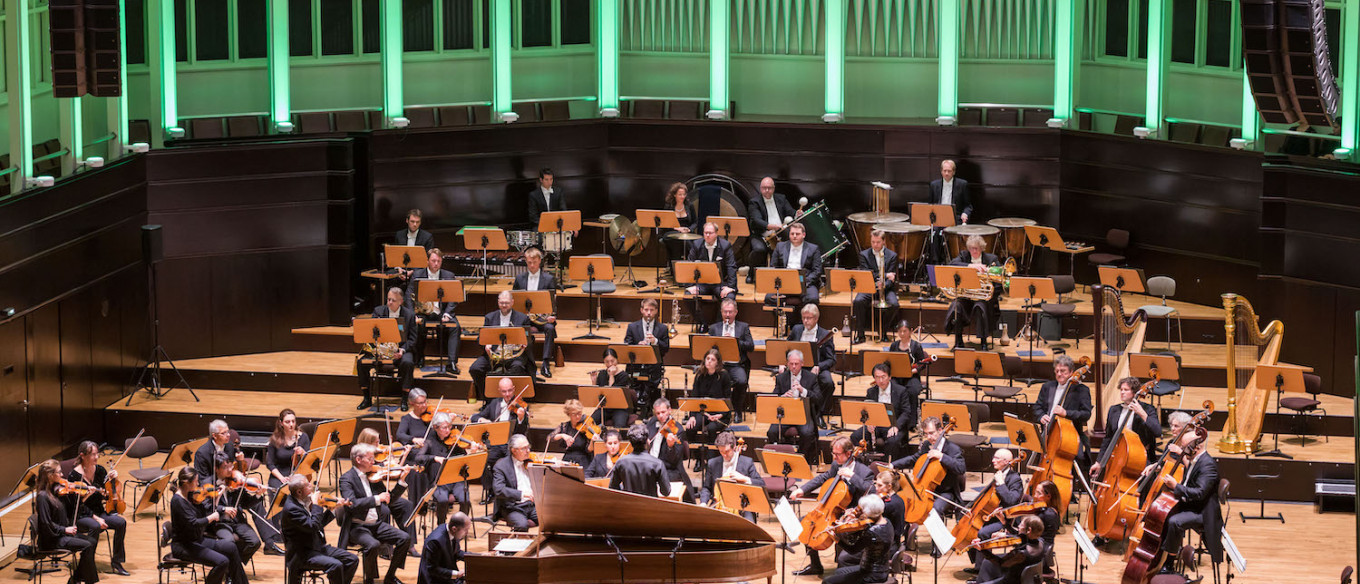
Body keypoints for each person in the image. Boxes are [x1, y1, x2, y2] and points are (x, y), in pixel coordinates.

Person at [789, 437, 874, 576]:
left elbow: (871, 490)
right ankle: (815, 565)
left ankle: (842, 570)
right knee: (807, 524)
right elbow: (823, 478)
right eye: (833, 453)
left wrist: (852, 476)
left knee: (842, 531)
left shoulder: (864, 472)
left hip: (853, 512)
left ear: (848, 454)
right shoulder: (836, 465)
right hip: (832, 509)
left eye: (837, 454)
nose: (834, 457)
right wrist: (802, 490)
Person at [339, 444, 412, 584]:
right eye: (370, 458)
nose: (374, 462)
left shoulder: (373, 476)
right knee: (372, 545)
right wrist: (377, 499)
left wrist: (401, 481)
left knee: (405, 538)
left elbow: (388, 500)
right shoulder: (346, 479)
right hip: (357, 526)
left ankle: (390, 576)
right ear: (359, 459)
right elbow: (352, 503)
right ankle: (370, 580)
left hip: (376, 524)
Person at [168, 467, 250, 584]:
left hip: (197, 540)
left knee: (231, 547)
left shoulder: (190, 496)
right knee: (222, 561)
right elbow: (194, 523)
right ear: (187, 483)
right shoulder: (177, 501)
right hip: (184, 546)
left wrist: (217, 498)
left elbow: (205, 513)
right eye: (196, 481)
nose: (198, 484)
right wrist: (211, 518)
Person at [1158, 429, 1222, 574]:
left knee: (1175, 521)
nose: (1181, 450)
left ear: (1196, 447)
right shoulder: (1194, 460)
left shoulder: (1208, 465)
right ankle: (1161, 554)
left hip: (1202, 511)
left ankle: (1169, 565)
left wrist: (1175, 486)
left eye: (1184, 447)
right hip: (1191, 504)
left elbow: (1199, 493)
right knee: (1162, 511)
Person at [280, 473, 358, 584]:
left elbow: (317, 524)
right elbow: (313, 526)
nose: (311, 486)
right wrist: (317, 505)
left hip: (317, 546)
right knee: (336, 565)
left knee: (352, 560)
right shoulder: (292, 509)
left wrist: (333, 508)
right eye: (307, 485)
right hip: (302, 554)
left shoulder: (303, 500)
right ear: (299, 492)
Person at [67, 441, 130, 575]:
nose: (96, 457)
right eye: (92, 455)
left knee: (121, 522)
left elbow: (105, 495)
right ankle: (88, 564)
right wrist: (96, 518)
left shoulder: (100, 470)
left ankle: (117, 561)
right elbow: (76, 505)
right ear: (82, 456)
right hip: (80, 516)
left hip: (99, 512)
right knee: (94, 526)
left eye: (97, 454)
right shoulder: (74, 476)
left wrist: (112, 482)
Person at [34, 459, 100, 584]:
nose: (62, 475)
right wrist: (65, 529)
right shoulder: (43, 497)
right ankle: (86, 581)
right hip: (52, 540)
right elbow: (45, 524)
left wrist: (85, 496)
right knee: (88, 545)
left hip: (62, 535)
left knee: (91, 541)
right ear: (50, 475)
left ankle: (76, 579)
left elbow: (72, 509)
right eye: (59, 472)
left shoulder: (57, 491)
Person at [890, 416, 966, 519]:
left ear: (940, 430)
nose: (929, 437)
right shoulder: (927, 445)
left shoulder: (953, 449)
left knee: (935, 510)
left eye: (931, 433)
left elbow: (961, 468)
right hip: (925, 489)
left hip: (946, 492)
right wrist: (893, 465)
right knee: (902, 501)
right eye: (926, 434)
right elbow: (914, 459)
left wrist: (942, 456)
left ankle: (937, 535)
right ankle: (908, 532)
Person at [415, 411, 484, 521]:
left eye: (449, 426)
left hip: (456, 479)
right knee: (442, 500)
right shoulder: (429, 441)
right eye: (444, 428)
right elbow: (418, 458)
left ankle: (461, 524)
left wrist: (473, 451)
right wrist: (434, 458)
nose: (448, 430)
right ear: (435, 427)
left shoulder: (455, 440)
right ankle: (441, 525)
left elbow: (465, 460)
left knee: (465, 499)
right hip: (438, 481)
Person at [469, 378, 531, 502]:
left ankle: (511, 492)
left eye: (509, 391)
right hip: (496, 443)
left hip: (512, 444)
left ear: (513, 389)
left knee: (511, 462)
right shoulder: (494, 404)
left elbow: (523, 431)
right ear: (499, 391)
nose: (507, 394)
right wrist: (482, 420)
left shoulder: (521, 406)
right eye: (504, 391)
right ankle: (491, 491)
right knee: (484, 461)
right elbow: (475, 417)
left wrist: (521, 418)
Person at [357, 287, 419, 410]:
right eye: (388, 299)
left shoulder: (409, 315)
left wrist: (402, 350)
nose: (389, 302)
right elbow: (371, 335)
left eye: (393, 300)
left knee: (408, 362)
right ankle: (367, 398)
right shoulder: (378, 311)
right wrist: (379, 350)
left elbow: (413, 339)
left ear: (401, 301)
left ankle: (404, 399)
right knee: (361, 362)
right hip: (380, 350)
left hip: (400, 350)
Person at [1091, 376, 1162, 480]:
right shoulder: (1114, 410)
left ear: (1134, 392)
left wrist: (1142, 414)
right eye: (1121, 390)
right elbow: (1108, 438)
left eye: (1126, 390)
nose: (1122, 392)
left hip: (1140, 457)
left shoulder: (1147, 409)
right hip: (1118, 456)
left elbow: (1157, 432)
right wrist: (1099, 462)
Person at [404, 248, 461, 376]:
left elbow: (454, 298)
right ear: (427, 261)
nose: (436, 263)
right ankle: (419, 357)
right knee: (416, 325)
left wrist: (447, 314)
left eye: (439, 261)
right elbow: (408, 296)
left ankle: (451, 362)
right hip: (423, 313)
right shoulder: (417, 275)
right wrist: (412, 315)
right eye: (433, 260)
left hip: (442, 313)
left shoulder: (449, 276)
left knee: (455, 327)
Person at [468, 291, 536, 398]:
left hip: (514, 355)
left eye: (507, 303)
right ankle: (488, 399)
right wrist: (486, 345)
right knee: (475, 368)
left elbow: (529, 337)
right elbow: (480, 338)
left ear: (512, 302)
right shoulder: (490, 317)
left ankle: (510, 400)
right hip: (494, 355)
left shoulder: (522, 318)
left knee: (517, 368)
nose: (504, 305)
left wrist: (525, 342)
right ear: (498, 302)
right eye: (501, 303)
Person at [205, 454, 265, 568]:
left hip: (237, 521)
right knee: (229, 544)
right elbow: (206, 507)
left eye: (230, 467)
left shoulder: (235, 480)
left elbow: (246, 503)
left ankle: (233, 567)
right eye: (225, 468)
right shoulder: (208, 484)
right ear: (216, 469)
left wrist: (258, 495)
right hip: (219, 523)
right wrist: (223, 509)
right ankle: (232, 571)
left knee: (255, 542)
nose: (229, 470)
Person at [265, 409, 311, 555]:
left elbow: (310, 460)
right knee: (278, 490)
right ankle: (278, 531)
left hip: (297, 474)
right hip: (279, 474)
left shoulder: (303, 438)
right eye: (287, 422)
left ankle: (300, 528)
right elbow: (270, 464)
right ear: (281, 423)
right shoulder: (275, 439)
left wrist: (303, 453)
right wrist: (281, 478)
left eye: (293, 421)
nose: (291, 424)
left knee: (302, 491)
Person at [1032, 355, 1093, 463]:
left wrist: (1066, 413)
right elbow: (1037, 407)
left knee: (1078, 459)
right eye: (1057, 371)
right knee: (1037, 457)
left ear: (1071, 372)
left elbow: (1086, 414)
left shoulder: (1081, 390)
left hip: (1071, 435)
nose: (1059, 374)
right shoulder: (1047, 387)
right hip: (1048, 433)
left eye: (1063, 371)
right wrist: (1041, 416)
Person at [822, 495, 895, 584]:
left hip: (871, 574)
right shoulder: (887, 522)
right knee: (838, 572)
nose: (859, 512)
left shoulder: (872, 532)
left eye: (862, 510)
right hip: (882, 569)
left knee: (827, 582)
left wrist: (836, 538)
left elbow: (852, 549)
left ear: (869, 513)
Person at [945, 235, 1001, 348]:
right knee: (957, 306)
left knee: (980, 307)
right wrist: (971, 266)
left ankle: (983, 342)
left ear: (982, 248)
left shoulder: (991, 259)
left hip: (983, 298)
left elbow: (999, 284)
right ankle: (958, 340)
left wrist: (987, 294)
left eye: (976, 248)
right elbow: (952, 264)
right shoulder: (964, 256)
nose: (974, 251)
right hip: (966, 297)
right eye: (971, 248)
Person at [766, 349, 821, 464]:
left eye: (796, 364)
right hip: (786, 413)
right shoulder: (781, 378)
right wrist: (782, 396)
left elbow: (818, 398)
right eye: (791, 364)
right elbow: (773, 397)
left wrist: (803, 391)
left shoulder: (811, 377)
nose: (794, 367)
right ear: (787, 364)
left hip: (803, 414)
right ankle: (779, 459)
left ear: (802, 363)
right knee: (772, 432)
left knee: (807, 433)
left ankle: (800, 459)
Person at [512, 248, 558, 378]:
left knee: (549, 328)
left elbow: (553, 301)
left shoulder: (549, 279)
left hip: (542, 319)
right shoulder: (520, 279)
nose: (532, 265)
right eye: (529, 262)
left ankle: (545, 363)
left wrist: (553, 316)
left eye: (535, 262)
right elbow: (514, 300)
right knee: (524, 330)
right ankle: (529, 364)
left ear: (540, 262)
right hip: (525, 318)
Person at [785, 303, 836, 419]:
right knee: (782, 377)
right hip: (797, 366)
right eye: (803, 318)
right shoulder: (797, 329)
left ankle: (819, 414)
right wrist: (783, 363)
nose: (805, 321)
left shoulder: (825, 334)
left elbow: (831, 359)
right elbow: (787, 348)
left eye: (809, 318)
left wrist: (819, 366)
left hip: (816, 367)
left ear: (816, 318)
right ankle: (789, 410)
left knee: (828, 383)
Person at [706, 299, 754, 422]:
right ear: (721, 312)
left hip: (736, 364)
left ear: (736, 312)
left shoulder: (743, 327)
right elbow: (708, 348)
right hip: (719, 364)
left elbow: (750, 346)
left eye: (730, 312)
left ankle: (737, 409)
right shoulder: (714, 328)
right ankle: (716, 410)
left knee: (742, 381)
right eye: (725, 312)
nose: (728, 315)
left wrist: (734, 341)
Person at [698, 432, 764, 521]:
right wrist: (703, 503)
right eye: (721, 452)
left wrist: (745, 479)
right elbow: (706, 488)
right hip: (719, 505)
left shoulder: (747, 462)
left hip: (742, 506)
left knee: (749, 524)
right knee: (704, 523)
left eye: (727, 451)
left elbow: (761, 484)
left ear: (734, 447)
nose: (724, 455)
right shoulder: (712, 463)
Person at [850, 364, 911, 459]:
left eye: (883, 377)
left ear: (889, 377)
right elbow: (867, 410)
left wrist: (896, 426)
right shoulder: (871, 391)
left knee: (893, 441)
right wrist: (869, 423)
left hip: (893, 425)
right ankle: (863, 464)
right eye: (877, 377)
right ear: (874, 378)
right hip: (877, 425)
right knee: (855, 436)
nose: (881, 380)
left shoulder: (901, 391)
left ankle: (887, 468)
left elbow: (906, 412)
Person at [684, 222, 738, 328]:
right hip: (702, 283)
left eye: (710, 233)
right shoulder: (697, 245)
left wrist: (730, 287)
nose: (707, 235)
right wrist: (690, 286)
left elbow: (731, 267)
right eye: (705, 233)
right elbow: (689, 266)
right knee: (688, 295)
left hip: (720, 283)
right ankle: (702, 324)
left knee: (730, 297)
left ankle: (718, 325)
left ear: (716, 233)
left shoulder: (725, 246)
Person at [745, 177, 796, 283]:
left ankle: (783, 276)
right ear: (760, 188)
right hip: (761, 235)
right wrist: (772, 226)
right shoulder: (754, 202)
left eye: (769, 188)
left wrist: (796, 214)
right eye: (764, 188)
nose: (767, 190)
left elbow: (790, 211)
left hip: (779, 234)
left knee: (787, 248)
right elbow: (756, 220)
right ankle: (751, 273)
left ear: (773, 188)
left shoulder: (781, 198)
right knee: (759, 249)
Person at [852, 230, 900, 343]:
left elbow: (892, 278)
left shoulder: (892, 256)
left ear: (883, 241)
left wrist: (884, 285)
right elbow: (867, 274)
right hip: (869, 287)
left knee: (894, 304)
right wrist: (884, 276)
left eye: (878, 242)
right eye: (873, 242)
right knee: (858, 301)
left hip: (886, 288)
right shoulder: (864, 255)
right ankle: (860, 334)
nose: (875, 245)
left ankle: (883, 331)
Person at [622, 298, 670, 409]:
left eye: (651, 310)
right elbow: (627, 346)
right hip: (636, 364)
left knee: (654, 371)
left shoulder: (662, 329)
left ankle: (646, 396)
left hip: (653, 365)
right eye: (646, 309)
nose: (649, 313)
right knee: (632, 374)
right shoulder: (632, 327)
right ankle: (637, 395)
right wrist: (638, 346)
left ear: (656, 311)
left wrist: (655, 341)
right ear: (641, 310)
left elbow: (666, 349)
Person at [644, 399, 694, 501]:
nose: (660, 416)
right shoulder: (652, 422)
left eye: (663, 412)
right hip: (650, 465)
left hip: (668, 468)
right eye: (658, 413)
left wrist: (670, 446)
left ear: (669, 410)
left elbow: (674, 460)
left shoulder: (677, 429)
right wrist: (645, 444)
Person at [972, 515, 1046, 584]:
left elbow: (999, 563)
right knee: (987, 563)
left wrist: (982, 549)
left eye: (1021, 524)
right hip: (1026, 578)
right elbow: (1020, 536)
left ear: (1029, 530)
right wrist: (1004, 523)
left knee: (988, 563)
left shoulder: (1021, 554)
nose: (1018, 526)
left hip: (1010, 581)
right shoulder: (1041, 542)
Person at [766, 222, 823, 306]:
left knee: (812, 298)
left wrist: (803, 282)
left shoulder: (813, 248)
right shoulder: (780, 246)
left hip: (804, 282)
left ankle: (804, 319)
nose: (795, 236)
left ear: (803, 235)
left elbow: (817, 271)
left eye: (797, 234)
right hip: (784, 283)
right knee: (769, 298)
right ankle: (781, 317)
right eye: (792, 234)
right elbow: (773, 267)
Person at [885, 320, 929, 428]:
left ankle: (911, 423)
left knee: (912, 391)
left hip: (911, 377)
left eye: (905, 331)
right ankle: (894, 421)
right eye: (900, 331)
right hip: (897, 377)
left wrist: (915, 370)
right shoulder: (894, 345)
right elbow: (889, 362)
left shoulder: (916, 346)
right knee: (892, 390)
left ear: (910, 331)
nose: (902, 334)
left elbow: (921, 363)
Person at [491, 434, 539, 531]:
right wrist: (521, 494)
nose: (528, 451)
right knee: (522, 525)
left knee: (551, 520)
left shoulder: (530, 462)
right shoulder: (501, 466)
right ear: (514, 450)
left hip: (532, 505)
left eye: (528, 447)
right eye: (524, 448)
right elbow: (499, 489)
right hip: (513, 507)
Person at [686, 348, 733, 444]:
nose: (709, 361)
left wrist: (720, 415)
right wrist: (692, 416)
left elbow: (728, 398)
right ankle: (698, 457)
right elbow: (695, 397)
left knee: (711, 429)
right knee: (690, 427)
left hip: (720, 414)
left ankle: (712, 457)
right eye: (708, 358)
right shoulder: (700, 375)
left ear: (717, 363)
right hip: (704, 412)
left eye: (713, 359)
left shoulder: (724, 376)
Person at [609, 424, 668, 498]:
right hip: (650, 507)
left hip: (628, 507)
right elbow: (666, 491)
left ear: (630, 443)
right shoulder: (657, 464)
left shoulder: (621, 462)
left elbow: (612, 488)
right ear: (647, 441)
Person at [585, 348, 634, 428]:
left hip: (620, 408)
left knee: (619, 426)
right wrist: (594, 381)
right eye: (607, 362)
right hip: (605, 408)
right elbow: (597, 395)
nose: (610, 364)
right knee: (589, 423)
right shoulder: (602, 374)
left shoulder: (624, 376)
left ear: (617, 360)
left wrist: (611, 375)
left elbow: (612, 393)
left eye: (612, 361)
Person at [417, 512, 469, 584]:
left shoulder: (452, 532)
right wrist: (457, 574)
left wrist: (478, 557)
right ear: (454, 529)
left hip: (446, 576)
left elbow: (457, 552)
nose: (467, 533)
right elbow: (432, 569)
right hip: (434, 580)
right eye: (465, 530)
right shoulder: (435, 541)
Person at [660, 182, 699, 278]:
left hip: (686, 232)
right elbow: (665, 223)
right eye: (680, 194)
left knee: (689, 242)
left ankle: (689, 270)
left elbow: (695, 222)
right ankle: (675, 272)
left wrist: (689, 229)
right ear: (674, 195)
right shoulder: (669, 206)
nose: (682, 196)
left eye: (684, 194)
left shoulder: (689, 206)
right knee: (677, 241)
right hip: (671, 231)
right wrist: (678, 228)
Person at [549, 400, 596, 466]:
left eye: (579, 413)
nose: (577, 416)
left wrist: (592, 441)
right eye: (574, 414)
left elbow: (589, 450)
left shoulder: (586, 426)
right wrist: (562, 435)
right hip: (568, 458)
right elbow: (550, 437)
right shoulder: (565, 426)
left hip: (584, 459)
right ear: (569, 414)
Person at [929, 159, 972, 224]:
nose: (946, 173)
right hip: (938, 218)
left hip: (955, 219)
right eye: (944, 171)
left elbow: (968, 206)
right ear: (941, 171)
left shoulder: (962, 184)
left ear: (954, 172)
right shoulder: (934, 185)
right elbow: (930, 204)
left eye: (949, 171)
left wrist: (965, 214)